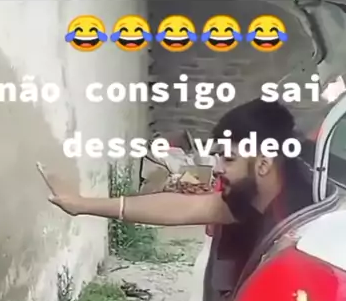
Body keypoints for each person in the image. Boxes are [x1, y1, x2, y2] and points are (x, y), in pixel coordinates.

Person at [39, 99, 312, 248]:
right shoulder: (247, 197)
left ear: (263, 164)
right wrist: (82, 205)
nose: (217, 168)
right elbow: (181, 208)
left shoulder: (305, 220)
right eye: (218, 157)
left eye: (229, 159)